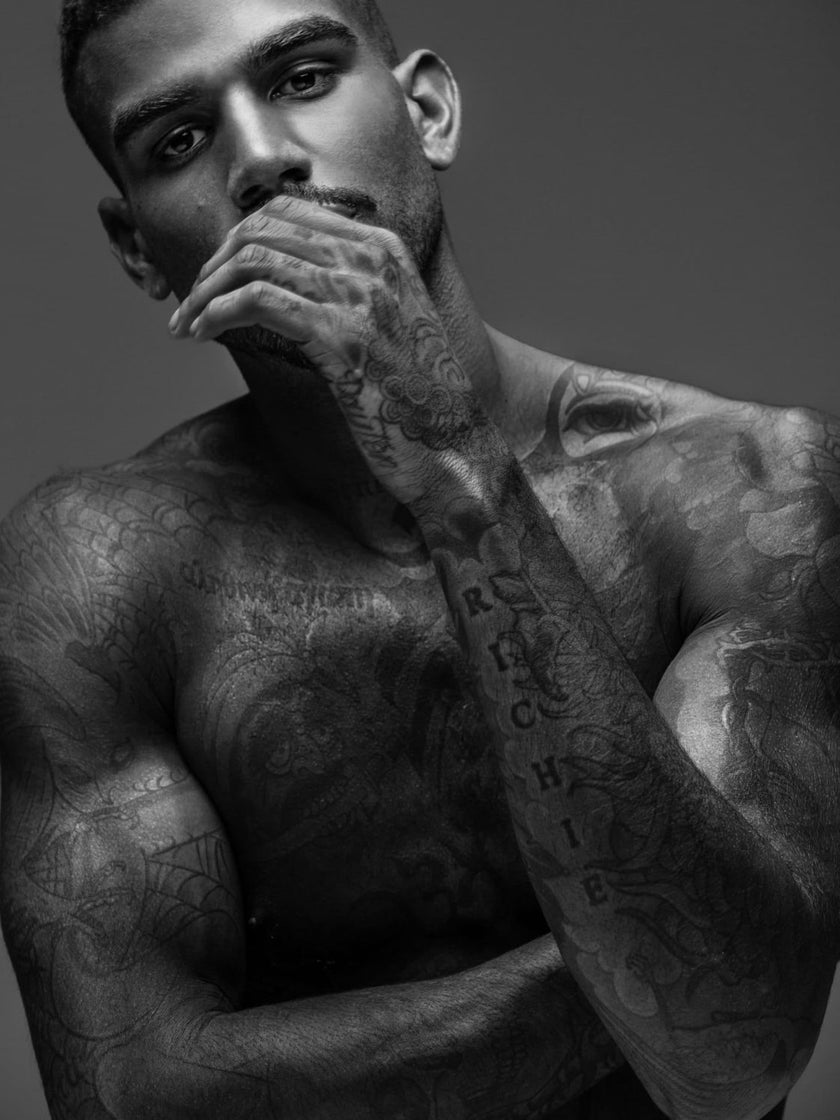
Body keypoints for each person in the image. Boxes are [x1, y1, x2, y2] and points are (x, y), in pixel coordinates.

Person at [1, 0, 837, 1116]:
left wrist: (458, 470)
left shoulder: (748, 487)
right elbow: (129, 1096)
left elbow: (737, 1063)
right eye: (179, 140)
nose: (262, 160)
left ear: (429, 110)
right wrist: (674, 959)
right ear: (137, 249)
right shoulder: (90, 578)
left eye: (302, 78)